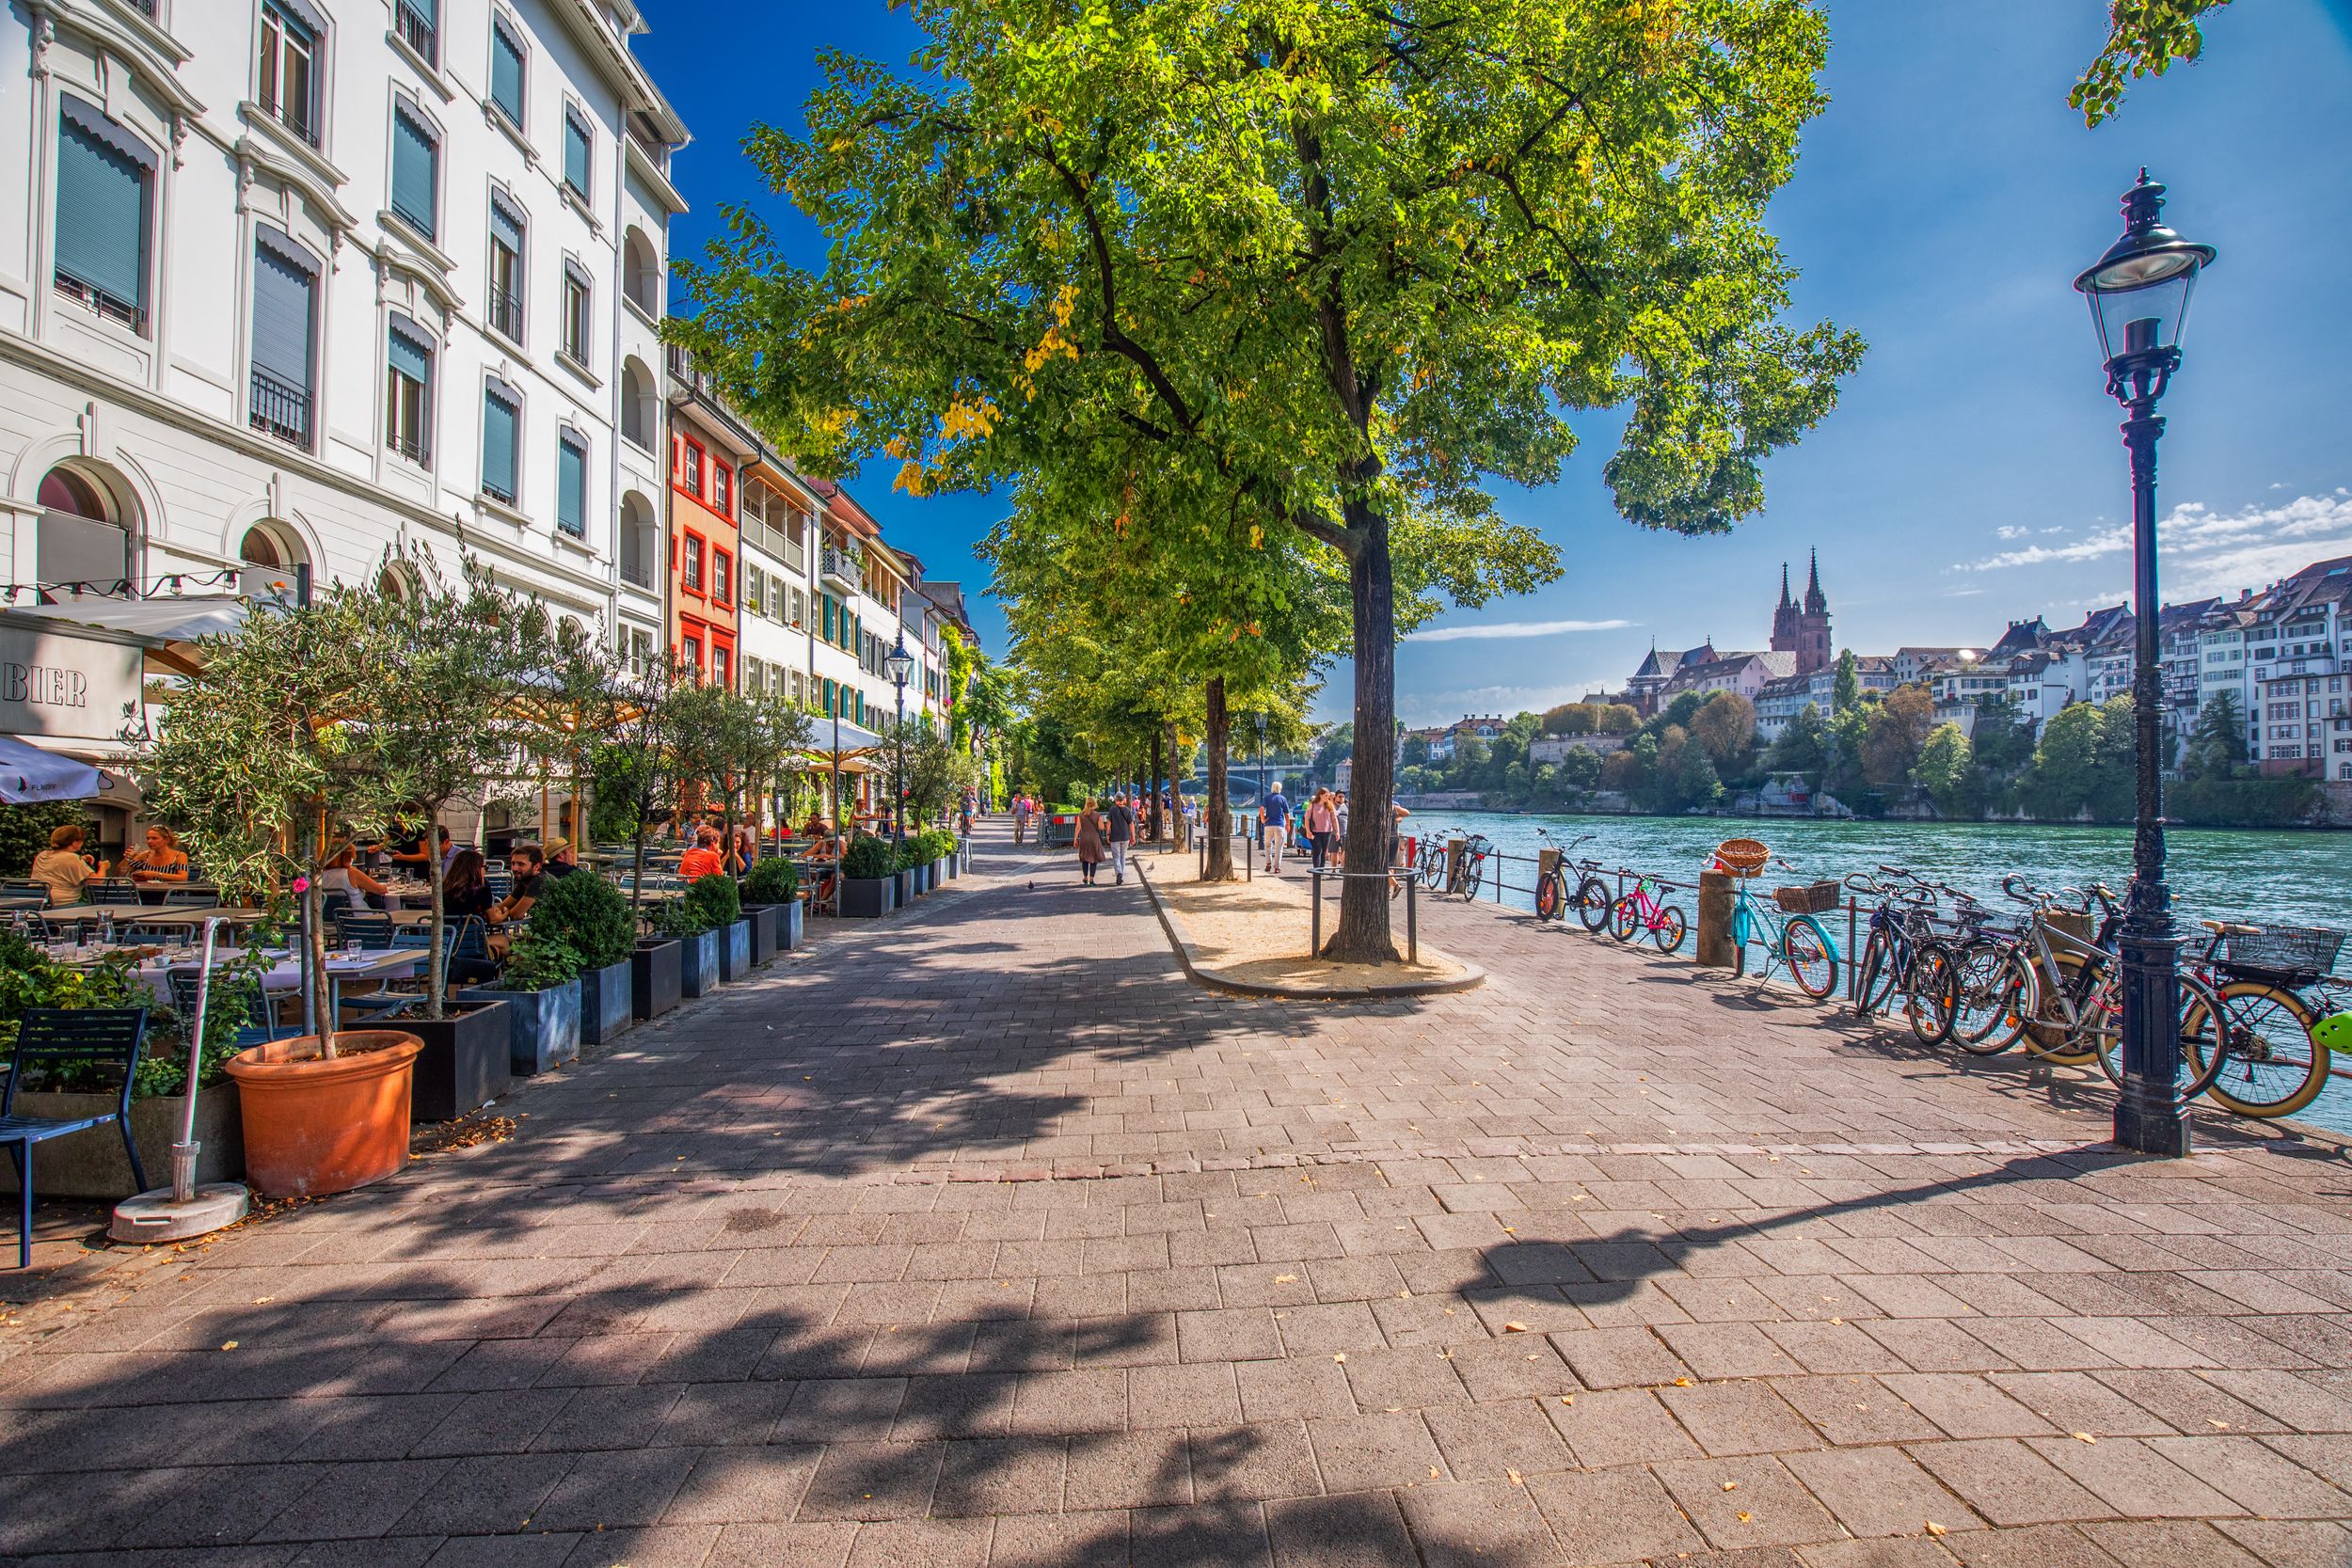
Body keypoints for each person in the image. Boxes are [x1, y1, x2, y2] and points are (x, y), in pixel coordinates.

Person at [30, 824, 101, 906]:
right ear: (75, 843)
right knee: (97, 909)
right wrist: (103, 866)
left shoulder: (42, 855)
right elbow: (97, 882)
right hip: (62, 904)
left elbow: (57, 863)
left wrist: (81, 859)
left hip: (37, 902)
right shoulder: (73, 858)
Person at [488, 844, 547, 927]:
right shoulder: (525, 880)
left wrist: (505, 912)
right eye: (513, 863)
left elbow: (516, 915)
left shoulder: (539, 881)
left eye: (521, 864)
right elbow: (502, 907)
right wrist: (503, 911)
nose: (514, 868)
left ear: (536, 867)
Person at [318, 845, 390, 911]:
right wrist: (391, 886)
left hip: (330, 920)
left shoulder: (319, 876)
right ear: (348, 857)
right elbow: (380, 890)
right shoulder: (351, 873)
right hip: (357, 918)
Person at [122, 825, 190, 884]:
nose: (149, 841)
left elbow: (183, 878)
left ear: (167, 840)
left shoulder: (179, 856)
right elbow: (122, 873)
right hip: (147, 892)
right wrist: (127, 858)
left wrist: (155, 874)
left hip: (170, 894)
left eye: (154, 838)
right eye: (148, 838)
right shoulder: (145, 855)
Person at [1074, 798, 1106, 885]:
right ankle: (1091, 880)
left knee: (1084, 858)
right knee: (1094, 859)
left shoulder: (1081, 814)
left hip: (1084, 838)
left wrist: (1075, 839)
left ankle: (1085, 878)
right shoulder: (1097, 815)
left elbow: (1078, 827)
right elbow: (1101, 827)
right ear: (1094, 804)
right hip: (1094, 838)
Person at [1104, 792, 1135, 886]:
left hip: (1115, 836)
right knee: (1123, 855)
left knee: (1116, 856)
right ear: (1124, 799)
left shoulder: (1112, 810)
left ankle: (1119, 873)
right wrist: (1133, 836)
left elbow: (1108, 823)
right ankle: (1121, 875)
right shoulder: (1127, 810)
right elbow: (1131, 824)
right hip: (1125, 836)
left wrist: (1108, 834)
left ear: (1115, 800)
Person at [1306, 790, 1337, 872]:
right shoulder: (1312, 805)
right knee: (1317, 850)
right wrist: (1308, 831)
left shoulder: (1330, 805)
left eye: (1328, 796)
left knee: (1324, 851)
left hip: (1327, 832)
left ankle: (1321, 871)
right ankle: (1316, 871)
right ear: (1320, 795)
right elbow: (1307, 819)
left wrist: (1337, 831)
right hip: (1315, 832)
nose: (1328, 797)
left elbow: (1334, 819)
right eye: (1326, 796)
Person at [1260, 784, 1288, 874]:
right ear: (1280, 788)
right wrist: (1288, 824)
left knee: (1268, 845)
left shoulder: (1267, 798)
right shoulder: (1283, 798)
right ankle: (1277, 867)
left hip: (1268, 824)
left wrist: (1262, 819)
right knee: (1278, 847)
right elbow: (1287, 813)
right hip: (1279, 824)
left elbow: (1261, 808)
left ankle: (1268, 863)